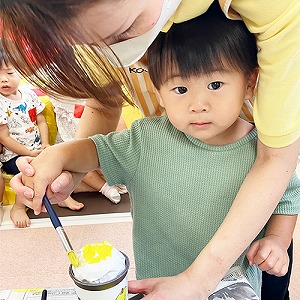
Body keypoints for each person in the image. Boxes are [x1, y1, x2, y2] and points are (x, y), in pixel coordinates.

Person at [2, 0, 299, 298]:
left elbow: (284, 186)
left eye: (216, 85)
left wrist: (275, 238)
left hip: (237, 280)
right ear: (158, 89)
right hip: (161, 281)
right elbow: (98, 136)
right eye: (180, 90)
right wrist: (59, 158)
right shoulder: (146, 139)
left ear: (251, 83)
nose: (198, 105)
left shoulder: (257, 146)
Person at [0, 40, 51, 227]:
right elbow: (4, 138)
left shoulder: (29, 94)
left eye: (9, 73)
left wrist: (45, 144)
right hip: (14, 155)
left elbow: (41, 120)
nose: (3, 79)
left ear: (21, 71)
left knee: (56, 160)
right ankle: (18, 207)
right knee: (30, 170)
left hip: (36, 149)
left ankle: (60, 196)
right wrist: (29, 153)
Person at [51, 96, 128, 208]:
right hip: (74, 142)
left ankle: (113, 180)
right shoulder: (64, 105)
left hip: (98, 139)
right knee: (77, 165)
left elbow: (119, 126)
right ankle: (105, 188)